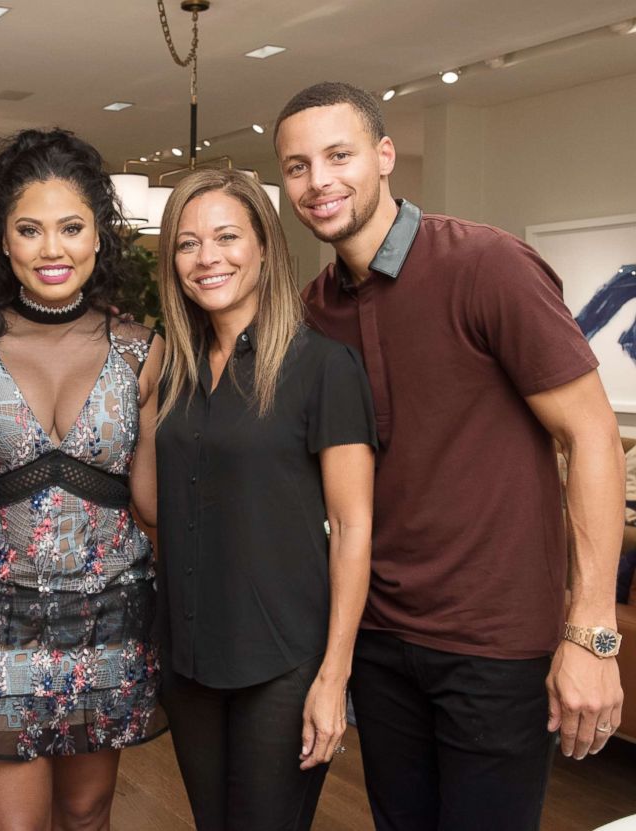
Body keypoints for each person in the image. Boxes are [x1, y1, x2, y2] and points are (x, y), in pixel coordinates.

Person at [274, 81, 626, 831]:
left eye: (339, 155)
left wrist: (592, 631)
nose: (319, 181)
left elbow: (592, 433)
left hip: (493, 643)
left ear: (385, 155)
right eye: (298, 166)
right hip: (378, 637)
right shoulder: (314, 311)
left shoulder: (487, 265)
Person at [0, 128, 166, 831]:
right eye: (30, 229)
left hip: (113, 619)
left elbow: (151, 501)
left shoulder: (140, 350)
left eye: (71, 227)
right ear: (3, 239)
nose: (52, 249)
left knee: (87, 815)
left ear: (99, 237)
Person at [155, 168, 377, 830]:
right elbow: (151, 500)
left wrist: (333, 678)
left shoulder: (322, 364)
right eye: (188, 243)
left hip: (282, 660)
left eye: (226, 236)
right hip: (190, 654)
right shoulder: (174, 367)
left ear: (263, 247)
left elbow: (353, 524)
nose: (207, 258)